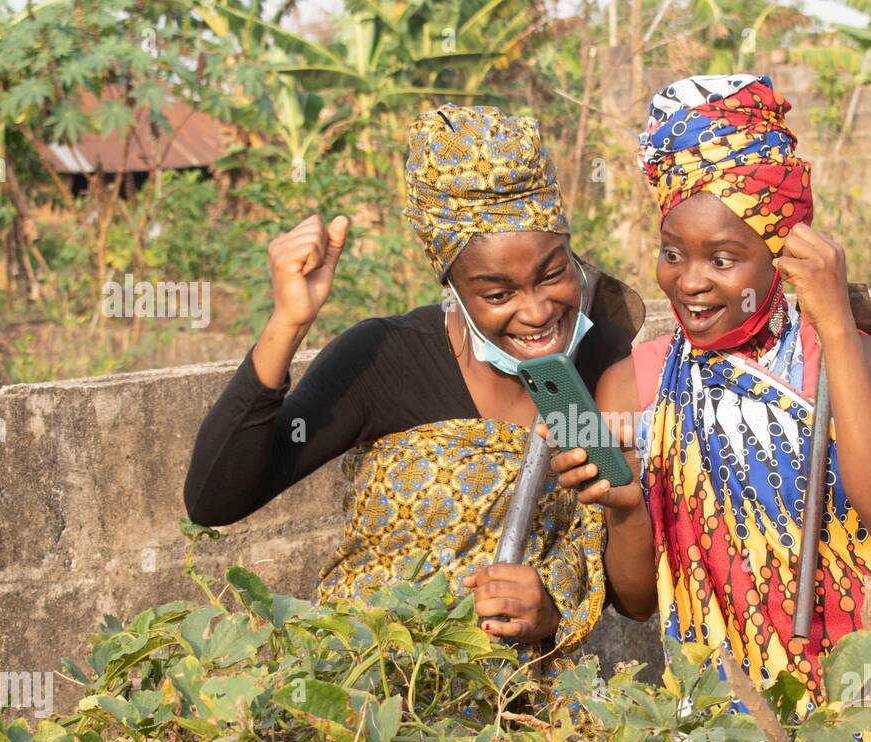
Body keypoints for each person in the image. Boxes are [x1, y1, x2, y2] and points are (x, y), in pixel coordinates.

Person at [547, 74, 871, 742]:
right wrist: (624, 508)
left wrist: (833, 328)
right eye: (673, 253)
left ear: (782, 253)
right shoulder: (635, 383)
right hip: (733, 728)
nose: (690, 281)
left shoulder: (857, 361)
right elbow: (639, 602)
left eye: (725, 257)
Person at [183, 104, 643, 655]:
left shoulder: (598, 362)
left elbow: (634, 598)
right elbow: (214, 499)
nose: (538, 312)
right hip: (369, 688)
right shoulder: (385, 359)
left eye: (552, 274)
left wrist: (552, 607)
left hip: (517, 707)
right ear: (454, 287)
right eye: (498, 294)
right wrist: (289, 323)